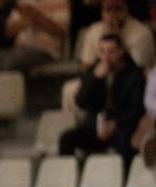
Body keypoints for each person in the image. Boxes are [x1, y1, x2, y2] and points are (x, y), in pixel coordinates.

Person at [59, 34, 147, 169]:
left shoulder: (134, 75)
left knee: (125, 140)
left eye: (111, 51)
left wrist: (115, 124)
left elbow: (137, 109)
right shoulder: (94, 72)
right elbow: (81, 102)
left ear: (121, 51)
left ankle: (123, 180)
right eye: (102, 51)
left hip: (122, 125)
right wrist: (95, 79)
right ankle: (71, 178)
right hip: (95, 126)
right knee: (66, 138)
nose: (106, 57)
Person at [78, 0, 156, 71]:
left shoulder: (142, 33)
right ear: (102, 13)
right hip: (102, 77)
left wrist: (117, 37)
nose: (113, 13)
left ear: (126, 10)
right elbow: (85, 65)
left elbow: (139, 68)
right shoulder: (94, 30)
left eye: (117, 8)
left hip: (136, 78)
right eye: (108, 9)